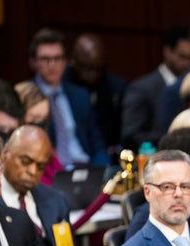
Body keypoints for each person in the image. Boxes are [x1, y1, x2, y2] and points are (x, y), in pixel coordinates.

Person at [0, 125, 89, 246]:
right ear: (5, 154)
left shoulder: (54, 200)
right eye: (26, 161)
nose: (32, 171)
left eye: (40, 166)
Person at [29, 27, 109, 169]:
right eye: (45, 59)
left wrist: (102, 170)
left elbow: (97, 144)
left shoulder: (80, 95)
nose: (52, 65)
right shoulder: (26, 96)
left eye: (57, 58)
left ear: (65, 61)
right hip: (50, 173)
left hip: (86, 168)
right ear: (34, 62)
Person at [120, 25, 190, 151]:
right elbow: (130, 135)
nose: (187, 63)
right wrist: (173, 139)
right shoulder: (142, 88)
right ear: (167, 52)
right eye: (183, 57)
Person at [65, 33, 127, 158]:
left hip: (106, 153)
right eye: (87, 68)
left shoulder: (115, 87)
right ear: (74, 62)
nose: (92, 75)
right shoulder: (63, 86)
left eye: (98, 68)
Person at [13, 81, 63, 186]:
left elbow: (62, 180)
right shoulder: (11, 156)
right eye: (34, 119)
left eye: (44, 119)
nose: (40, 125)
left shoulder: (48, 150)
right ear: (18, 119)